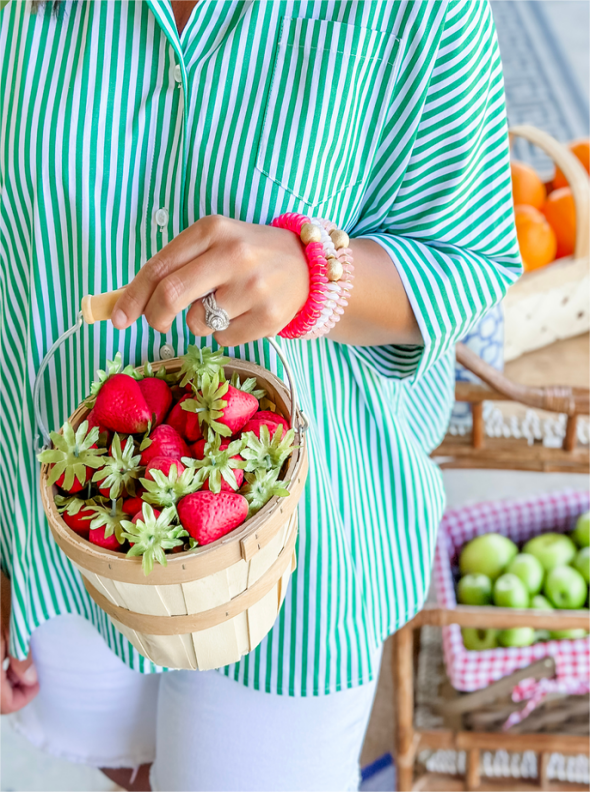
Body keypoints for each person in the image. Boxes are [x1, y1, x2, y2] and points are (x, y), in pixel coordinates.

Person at [0, 0, 521, 789]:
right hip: (61, 532)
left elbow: (467, 258)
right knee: (124, 759)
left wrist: (315, 278)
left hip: (304, 561)